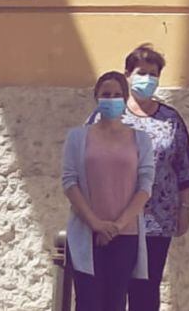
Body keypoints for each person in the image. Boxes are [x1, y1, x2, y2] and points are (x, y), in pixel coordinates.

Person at [91, 44, 189, 311]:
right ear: (127, 75)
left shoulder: (170, 119)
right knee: (111, 289)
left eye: (153, 73)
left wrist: (184, 210)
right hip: (114, 220)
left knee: (146, 292)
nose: (147, 78)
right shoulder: (109, 113)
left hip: (157, 221)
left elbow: (183, 168)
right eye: (141, 72)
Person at [62, 70, 156, 311]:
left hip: (126, 235)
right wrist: (96, 224)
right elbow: (70, 183)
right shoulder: (77, 137)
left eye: (116, 94)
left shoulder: (141, 139)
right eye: (106, 94)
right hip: (86, 233)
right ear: (96, 97)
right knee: (87, 302)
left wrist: (117, 226)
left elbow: (145, 185)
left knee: (115, 302)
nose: (111, 98)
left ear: (124, 99)